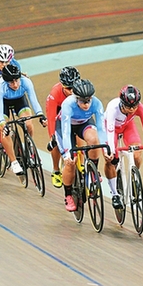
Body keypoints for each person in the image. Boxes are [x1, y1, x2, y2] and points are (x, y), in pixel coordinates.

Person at [55, 79, 107, 212]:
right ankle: (68, 195)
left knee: (94, 140)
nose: (86, 104)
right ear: (76, 98)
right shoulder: (68, 104)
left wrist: (106, 147)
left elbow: (101, 129)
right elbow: (66, 132)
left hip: (83, 123)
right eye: (83, 101)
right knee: (70, 162)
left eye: (88, 100)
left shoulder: (97, 103)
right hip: (65, 127)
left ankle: (92, 171)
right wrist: (67, 154)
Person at [103, 85, 143, 209]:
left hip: (128, 127)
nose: (132, 109)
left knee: (137, 152)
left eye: (134, 106)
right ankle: (114, 193)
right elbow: (109, 130)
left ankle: (134, 177)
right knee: (110, 159)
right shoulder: (113, 108)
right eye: (129, 107)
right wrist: (111, 151)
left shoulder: (141, 108)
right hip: (112, 129)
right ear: (121, 103)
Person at [0, 64, 47, 176]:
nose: (16, 85)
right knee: (3, 131)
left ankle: (30, 146)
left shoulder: (26, 82)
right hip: (4, 104)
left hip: (20, 101)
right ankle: (14, 162)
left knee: (28, 123)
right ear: (6, 81)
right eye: (12, 83)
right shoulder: (0, 88)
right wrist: (4, 125)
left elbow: (34, 100)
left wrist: (40, 115)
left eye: (17, 81)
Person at [45, 66, 81, 188]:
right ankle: (56, 170)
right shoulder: (55, 93)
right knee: (56, 140)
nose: (72, 91)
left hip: (73, 111)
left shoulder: (81, 90)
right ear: (62, 85)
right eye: (68, 88)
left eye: (73, 88)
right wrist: (52, 136)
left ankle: (83, 161)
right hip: (57, 111)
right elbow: (51, 118)